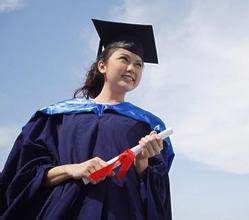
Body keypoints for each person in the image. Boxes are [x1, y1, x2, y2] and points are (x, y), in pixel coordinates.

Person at [0, 19, 174, 220]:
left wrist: (142, 162)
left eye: (138, 65)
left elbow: (157, 196)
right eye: (124, 59)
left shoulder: (146, 125)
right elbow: (24, 176)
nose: (132, 68)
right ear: (102, 65)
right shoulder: (56, 117)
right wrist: (72, 169)